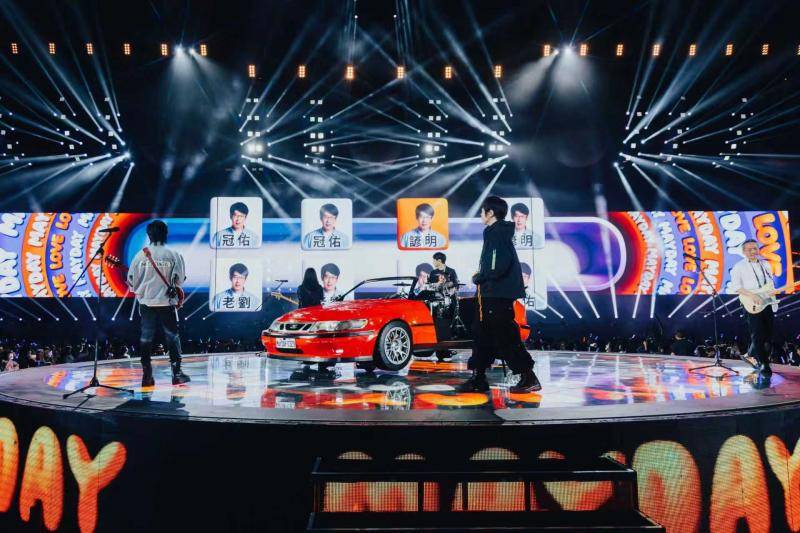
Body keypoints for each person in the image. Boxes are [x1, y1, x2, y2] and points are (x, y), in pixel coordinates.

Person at [458, 196, 541, 393]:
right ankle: (479, 377)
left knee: (505, 335)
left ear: (490, 213)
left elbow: (497, 265)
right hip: (490, 293)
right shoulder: (494, 232)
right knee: (482, 334)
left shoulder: (497, 233)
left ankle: (528, 377)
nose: (480, 215)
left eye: (482, 211)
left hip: (497, 294)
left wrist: (480, 276)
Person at [127, 220, 190, 387]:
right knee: (172, 337)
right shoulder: (174, 254)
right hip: (166, 303)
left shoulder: (139, 256)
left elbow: (131, 282)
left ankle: (147, 375)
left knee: (146, 338)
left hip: (146, 304)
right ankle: (177, 374)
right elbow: (180, 280)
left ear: (149, 235)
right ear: (166, 234)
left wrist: (145, 289)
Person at [730, 239, 781, 376]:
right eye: (749, 249)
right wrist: (753, 295)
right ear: (743, 251)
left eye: (755, 248)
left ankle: (750, 355)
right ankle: (764, 364)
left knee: (768, 335)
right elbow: (736, 287)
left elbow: (769, 283)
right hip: (751, 303)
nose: (753, 251)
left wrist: (772, 292)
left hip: (767, 302)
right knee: (758, 334)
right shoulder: (739, 267)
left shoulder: (765, 264)